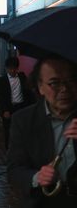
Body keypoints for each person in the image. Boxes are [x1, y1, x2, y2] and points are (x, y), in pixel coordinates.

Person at [7, 55, 77, 207]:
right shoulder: (23, 120)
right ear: (40, 87)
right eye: (54, 83)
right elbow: (14, 170)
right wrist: (37, 177)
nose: (64, 89)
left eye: (71, 81)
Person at [0, 56, 35, 150]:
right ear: (6, 68)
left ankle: (23, 150)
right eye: (10, 68)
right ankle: (9, 151)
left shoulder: (22, 77)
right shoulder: (2, 80)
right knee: (9, 131)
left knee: (23, 129)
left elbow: (28, 92)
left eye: (14, 68)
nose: (12, 71)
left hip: (21, 106)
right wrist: (5, 110)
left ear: (17, 68)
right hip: (9, 108)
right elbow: (0, 96)